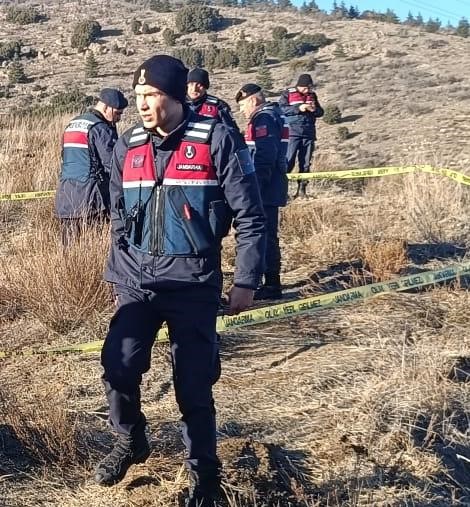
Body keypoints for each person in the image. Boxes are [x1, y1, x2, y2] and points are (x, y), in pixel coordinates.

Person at [93, 55, 266, 507]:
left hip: (192, 283)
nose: (143, 105)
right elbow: (116, 211)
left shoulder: (216, 139)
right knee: (118, 366)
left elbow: (250, 216)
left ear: (174, 95)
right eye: (138, 98)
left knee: (192, 385)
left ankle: (204, 477)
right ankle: (131, 440)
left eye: (152, 96)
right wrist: (121, 266)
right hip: (136, 282)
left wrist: (246, 280)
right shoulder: (127, 143)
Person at [55, 88, 128, 245]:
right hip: (92, 201)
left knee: (69, 250)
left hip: (65, 199)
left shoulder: (72, 124)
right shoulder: (100, 129)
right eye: (118, 113)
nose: (119, 119)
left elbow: (65, 158)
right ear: (106, 107)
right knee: (93, 246)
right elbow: (112, 165)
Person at [236, 84, 289, 300]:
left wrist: (255, 186)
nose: (242, 111)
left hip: (265, 188)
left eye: (242, 105)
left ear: (253, 101)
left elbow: (265, 155)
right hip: (273, 185)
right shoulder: (276, 115)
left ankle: (271, 284)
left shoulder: (263, 119)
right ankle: (270, 282)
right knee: (268, 234)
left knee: (264, 235)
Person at [278, 74, 324, 198]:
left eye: (309, 88)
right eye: (306, 88)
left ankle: (302, 191)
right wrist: (299, 108)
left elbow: (321, 112)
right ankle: (282, 191)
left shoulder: (312, 96)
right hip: (293, 133)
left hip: (309, 134)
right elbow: (281, 109)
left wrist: (314, 110)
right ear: (300, 85)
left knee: (305, 164)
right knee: (288, 162)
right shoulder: (287, 94)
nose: (308, 90)